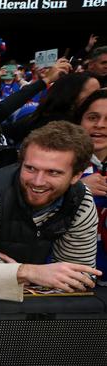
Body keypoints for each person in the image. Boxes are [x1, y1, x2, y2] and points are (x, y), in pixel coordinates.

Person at [0, 121, 101, 302]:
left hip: (35, 310)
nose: (37, 181)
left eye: (53, 172)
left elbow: (80, 277)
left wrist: (23, 276)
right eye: (30, 168)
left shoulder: (80, 201)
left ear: (76, 175)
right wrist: (27, 273)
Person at [77, 89, 107, 284]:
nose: (100, 125)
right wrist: (76, 189)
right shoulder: (57, 159)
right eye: (93, 117)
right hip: (64, 275)